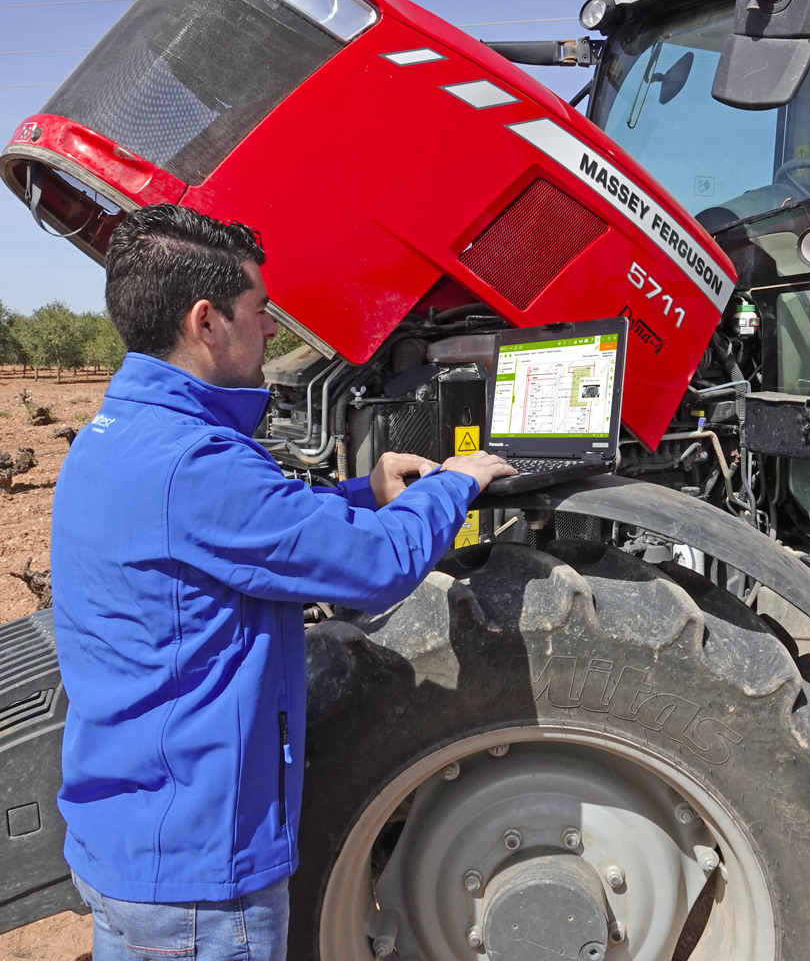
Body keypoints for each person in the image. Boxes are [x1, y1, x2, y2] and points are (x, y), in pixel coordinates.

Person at [50, 204, 515, 961]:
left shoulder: (124, 435)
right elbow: (377, 568)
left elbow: (243, 535)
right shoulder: (195, 466)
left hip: (135, 842)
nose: (272, 328)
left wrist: (362, 495)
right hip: (200, 881)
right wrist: (452, 484)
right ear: (206, 322)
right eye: (260, 309)